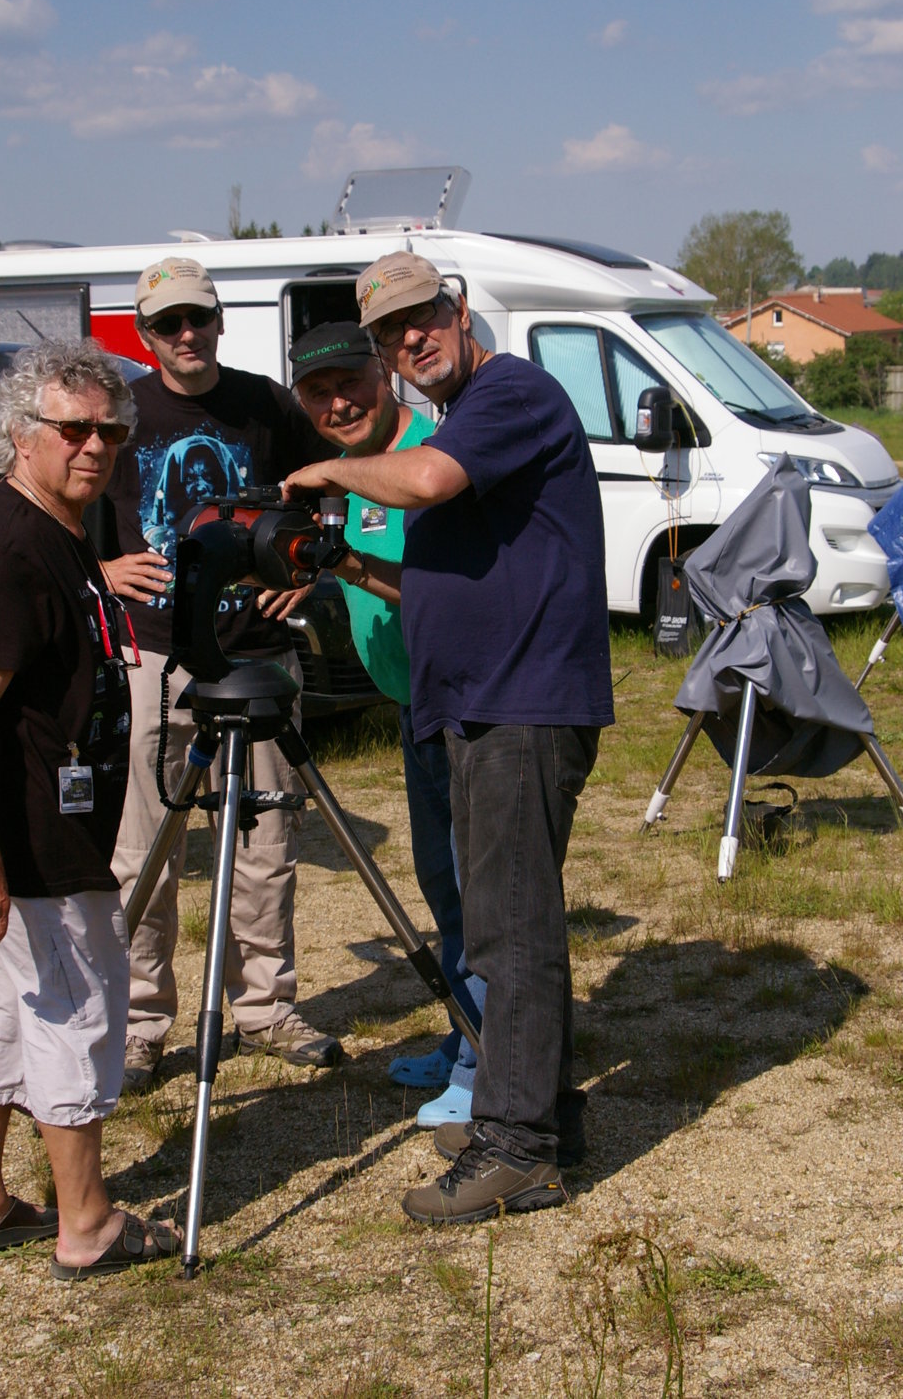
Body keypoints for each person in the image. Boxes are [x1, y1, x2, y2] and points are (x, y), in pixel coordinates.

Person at [284, 253, 614, 1224]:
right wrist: (345, 562)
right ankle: (542, 1112)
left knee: (509, 932)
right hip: (478, 705)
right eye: (391, 332)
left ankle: (517, 1149)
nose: (411, 338)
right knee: (505, 922)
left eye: (421, 316)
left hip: (522, 703)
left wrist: (329, 468)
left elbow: (425, 478)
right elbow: (432, 577)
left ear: (459, 309)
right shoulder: (473, 414)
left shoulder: (510, 392)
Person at [0, 340, 180, 1278]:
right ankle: (87, 1223)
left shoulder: (58, 533)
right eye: (72, 429)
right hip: (26, 835)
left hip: (30, 825)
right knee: (74, 1007)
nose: (94, 446)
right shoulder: (9, 548)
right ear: (21, 436)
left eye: (110, 431)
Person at [102, 257, 341, 1091]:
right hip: (153, 655)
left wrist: (312, 569)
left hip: (258, 653)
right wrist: (101, 569)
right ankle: (138, 1024)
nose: (186, 334)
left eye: (197, 317)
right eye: (167, 323)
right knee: (144, 852)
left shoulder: (268, 404)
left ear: (219, 320)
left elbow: (331, 489)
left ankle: (266, 1008)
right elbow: (58, 507)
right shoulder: (119, 413)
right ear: (145, 334)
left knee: (265, 842)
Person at [288, 322, 485, 1126]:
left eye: (351, 383)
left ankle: (483, 1067)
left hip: (466, 710)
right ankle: (466, 1032)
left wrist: (346, 564)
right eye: (319, 393)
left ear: (383, 372)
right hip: (414, 704)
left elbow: (441, 588)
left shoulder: (425, 456)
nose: (339, 404)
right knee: (442, 885)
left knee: (474, 891)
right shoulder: (354, 473)